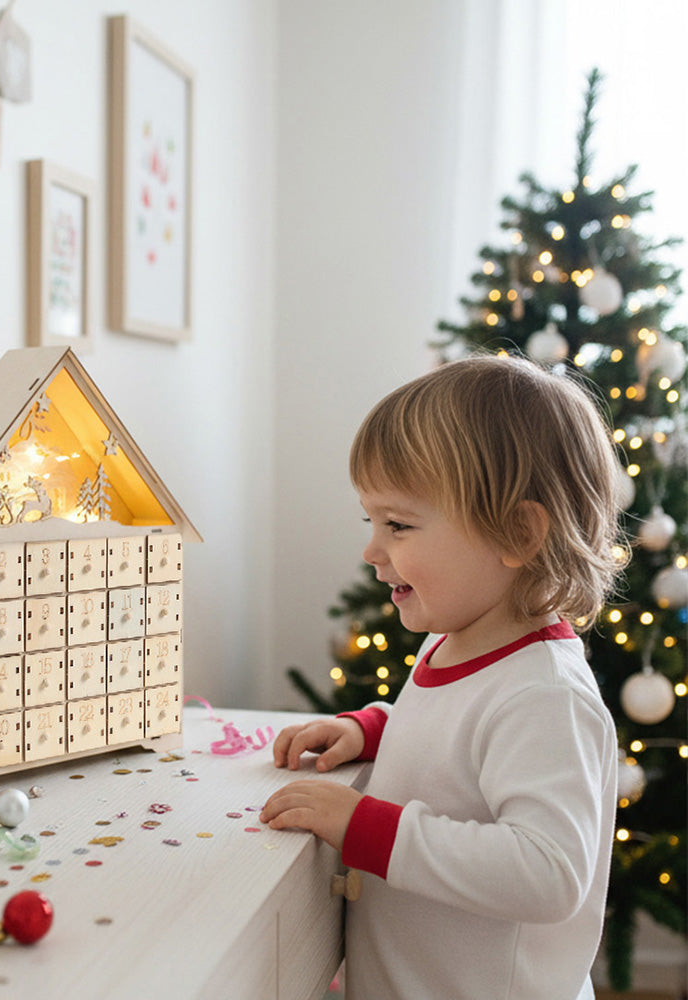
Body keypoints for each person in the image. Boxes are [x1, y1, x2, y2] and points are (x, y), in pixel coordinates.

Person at [260, 354, 623, 1000]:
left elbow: (548, 871)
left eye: (397, 525)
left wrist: (368, 828)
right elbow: (461, 755)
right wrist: (375, 731)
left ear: (517, 531)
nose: (372, 550)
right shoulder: (454, 643)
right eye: (370, 522)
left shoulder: (546, 694)